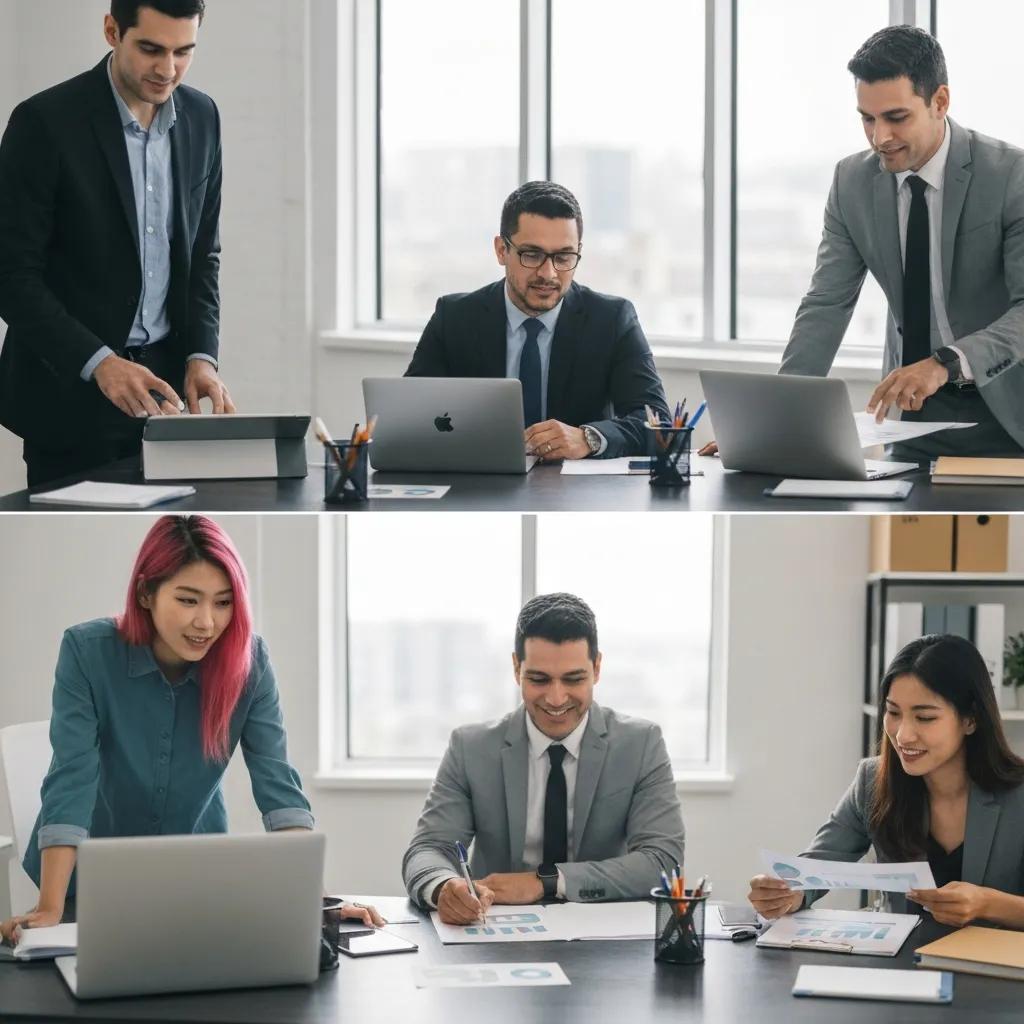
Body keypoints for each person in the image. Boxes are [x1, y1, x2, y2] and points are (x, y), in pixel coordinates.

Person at [0, 515, 379, 946]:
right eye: (188, 600)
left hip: (195, 884)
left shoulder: (249, 662)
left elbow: (278, 787)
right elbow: (72, 780)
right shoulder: (87, 651)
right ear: (146, 592)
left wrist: (316, 898)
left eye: (222, 602)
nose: (207, 623)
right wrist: (49, 908)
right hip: (85, 888)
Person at [701, 26, 1024, 461]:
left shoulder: (1010, 176)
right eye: (867, 119)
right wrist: (773, 422)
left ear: (940, 102)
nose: (879, 137)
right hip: (913, 415)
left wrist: (945, 363)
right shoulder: (851, 182)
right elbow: (826, 304)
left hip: (1007, 407)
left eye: (896, 117)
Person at [0, 0, 235, 488]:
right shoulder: (44, 123)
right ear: (112, 31)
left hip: (167, 398)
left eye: (183, 51)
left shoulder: (203, 116)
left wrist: (201, 356)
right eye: (150, 49)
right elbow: (11, 274)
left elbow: (202, 256)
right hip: (69, 397)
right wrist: (101, 363)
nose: (167, 69)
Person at [402, 592, 685, 925]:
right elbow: (428, 849)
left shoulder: (640, 744)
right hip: (495, 930)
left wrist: (545, 882)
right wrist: (443, 886)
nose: (555, 697)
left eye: (573, 678)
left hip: (602, 933)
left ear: (596, 668)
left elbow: (663, 862)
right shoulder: (471, 747)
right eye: (538, 679)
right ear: (515, 668)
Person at [748, 635, 1024, 928]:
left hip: (993, 969)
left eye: (925, 718)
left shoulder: (1017, 793)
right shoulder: (872, 780)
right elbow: (817, 867)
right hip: (900, 966)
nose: (903, 735)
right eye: (893, 712)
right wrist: (787, 894)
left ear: (970, 720)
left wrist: (987, 903)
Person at [404, 181, 670, 460]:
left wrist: (588, 438)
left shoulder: (612, 319)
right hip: (477, 485)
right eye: (532, 254)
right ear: (501, 250)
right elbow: (408, 414)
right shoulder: (455, 317)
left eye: (564, 257)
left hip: (574, 493)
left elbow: (658, 423)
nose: (549, 273)